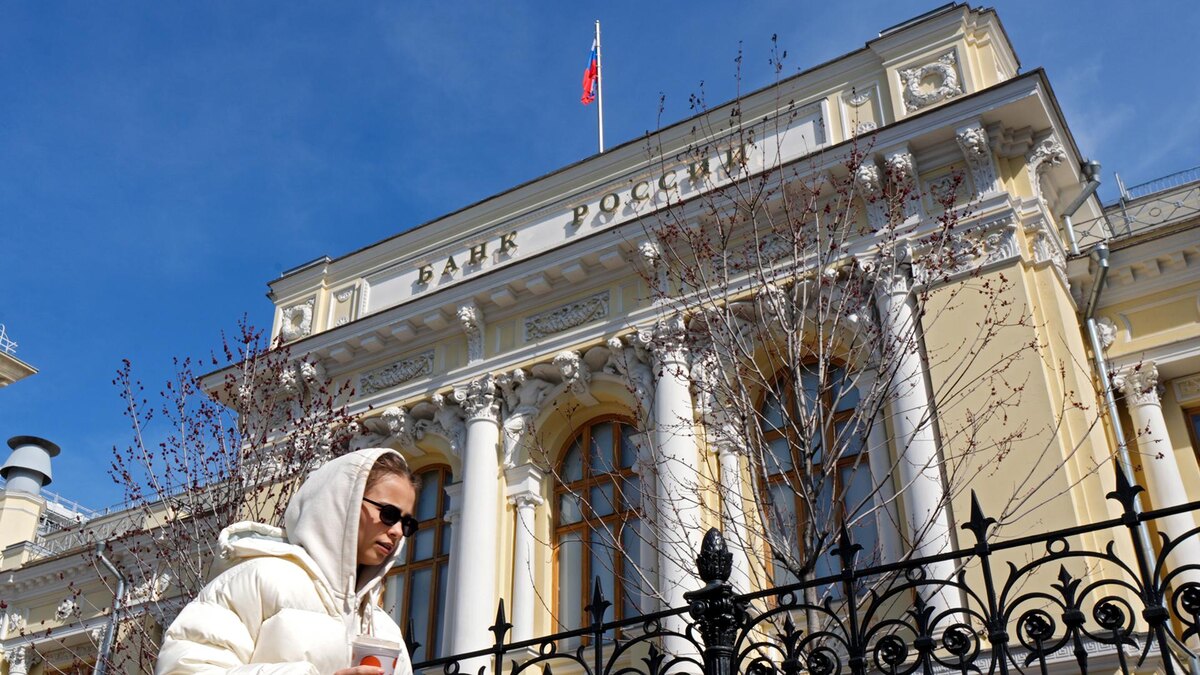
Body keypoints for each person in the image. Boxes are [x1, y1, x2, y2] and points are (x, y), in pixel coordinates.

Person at [156, 447, 419, 675]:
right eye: (388, 514)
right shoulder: (260, 578)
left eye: (407, 523)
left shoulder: (385, 631)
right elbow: (182, 669)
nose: (397, 531)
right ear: (343, 503)